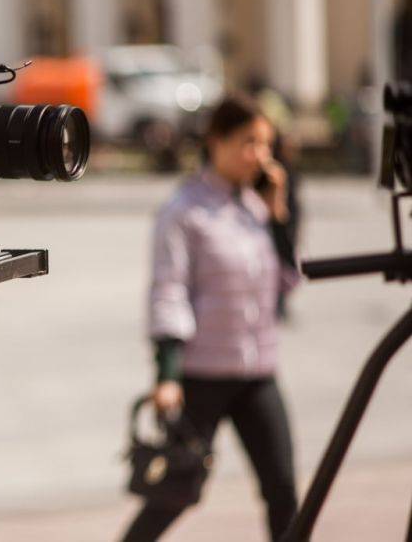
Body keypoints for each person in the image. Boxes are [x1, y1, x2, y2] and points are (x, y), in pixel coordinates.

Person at [122, 94, 300, 542]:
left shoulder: (255, 208)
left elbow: (288, 283)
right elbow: (169, 293)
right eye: (248, 142)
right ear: (216, 141)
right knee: (177, 491)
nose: (260, 155)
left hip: (258, 372)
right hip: (203, 374)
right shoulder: (183, 211)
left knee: (283, 490)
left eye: (265, 144)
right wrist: (167, 374)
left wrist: (279, 216)